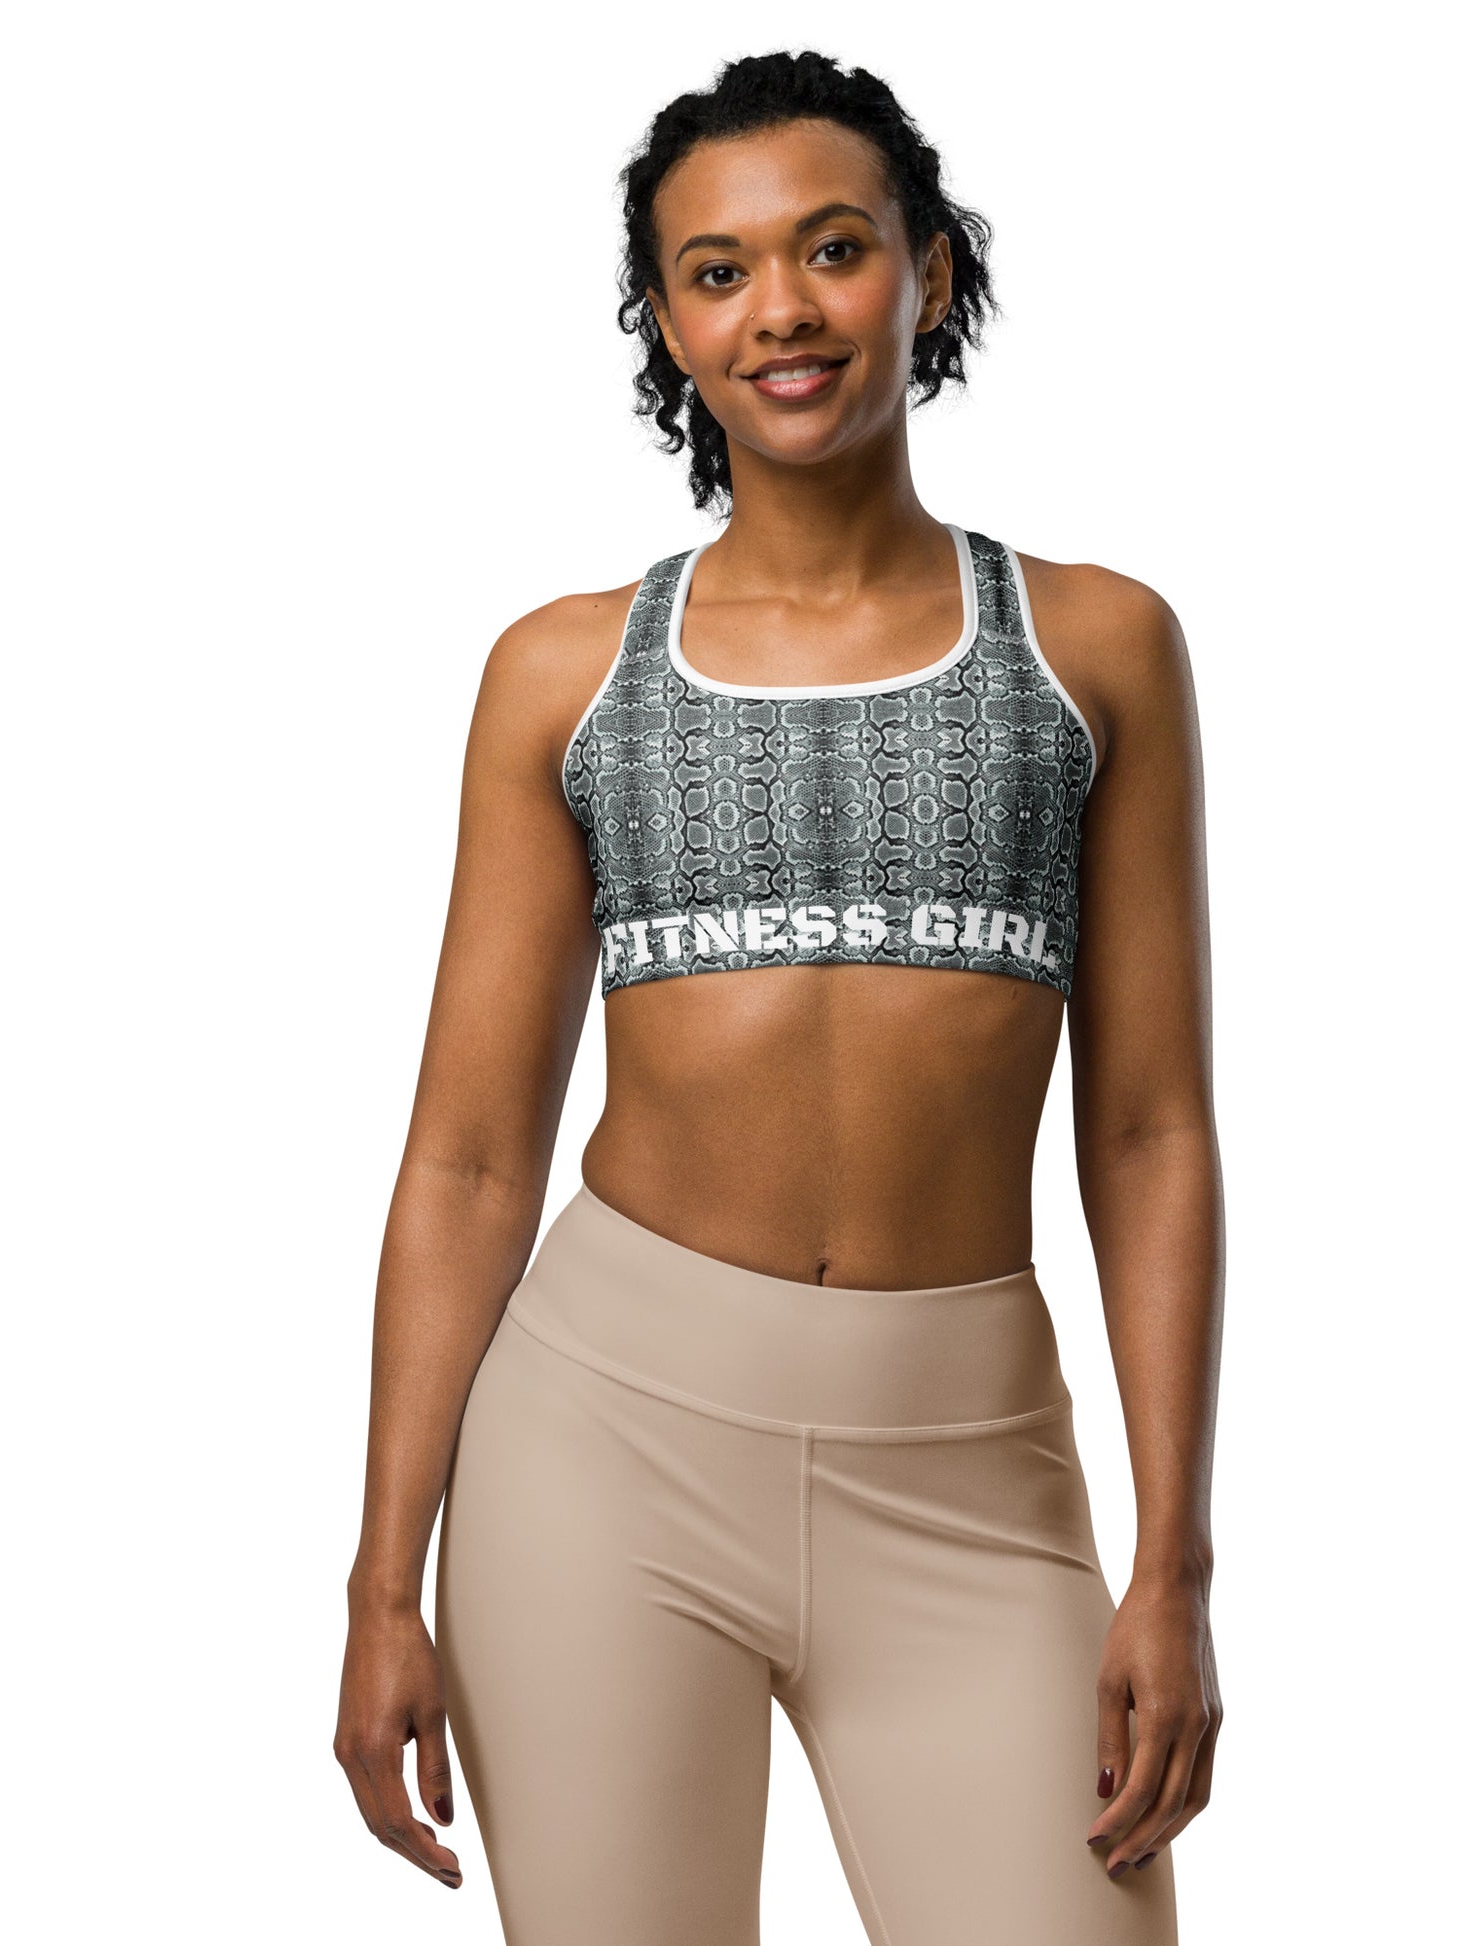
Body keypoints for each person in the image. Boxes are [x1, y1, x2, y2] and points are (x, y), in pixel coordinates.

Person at [333, 48, 1224, 1946]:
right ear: (667, 324)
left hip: (967, 1465)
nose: (782, 310)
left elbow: (1148, 1132)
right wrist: (381, 1581)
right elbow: (470, 1158)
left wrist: (1173, 1560)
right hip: (599, 1455)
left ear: (929, 272)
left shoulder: (1096, 649)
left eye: (832, 248)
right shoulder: (564, 673)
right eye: (717, 270)